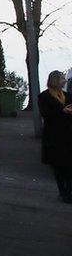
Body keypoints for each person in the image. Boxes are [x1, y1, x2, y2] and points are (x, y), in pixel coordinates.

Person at [39, 69, 72, 204]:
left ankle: (68, 192)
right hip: (54, 136)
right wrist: (62, 111)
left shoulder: (68, 95)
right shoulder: (44, 97)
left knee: (69, 166)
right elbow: (46, 115)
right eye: (62, 79)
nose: (64, 81)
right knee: (58, 166)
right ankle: (63, 192)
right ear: (55, 81)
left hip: (68, 135)